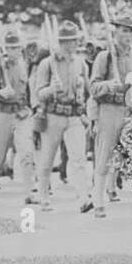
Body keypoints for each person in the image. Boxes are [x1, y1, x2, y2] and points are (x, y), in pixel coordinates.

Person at [89, 12, 132, 218]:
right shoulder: (104, 56)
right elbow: (93, 87)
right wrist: (108, 85)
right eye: (124, 30)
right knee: (104, 156)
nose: (128, 35)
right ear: (115, 31)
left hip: (129, 110)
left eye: (130, 31)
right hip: (108, 110)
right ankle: (98, 201)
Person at [31, 22, 92, 211]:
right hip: (53, 115)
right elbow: (38, 93)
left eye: (74, 40)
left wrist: (85, 111)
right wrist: (51, 89)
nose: (73, 44)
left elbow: (88, 91)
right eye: (69, 41)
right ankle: (43, 196)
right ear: (61, 42)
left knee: (78, 158)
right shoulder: (47, 63)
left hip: (73, 114)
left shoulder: (80, 63)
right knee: (48, 158)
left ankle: (83, 197)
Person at [0, 30, 37, 205]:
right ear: (6, 48)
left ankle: (29, 193)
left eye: (17, 47)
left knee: (27, 153)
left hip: (21, 114)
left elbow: (28, 90)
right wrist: (1, 93)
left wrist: (30, 108)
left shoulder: (25, 65)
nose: (14, 50)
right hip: (2, 114)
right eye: (11, 47)